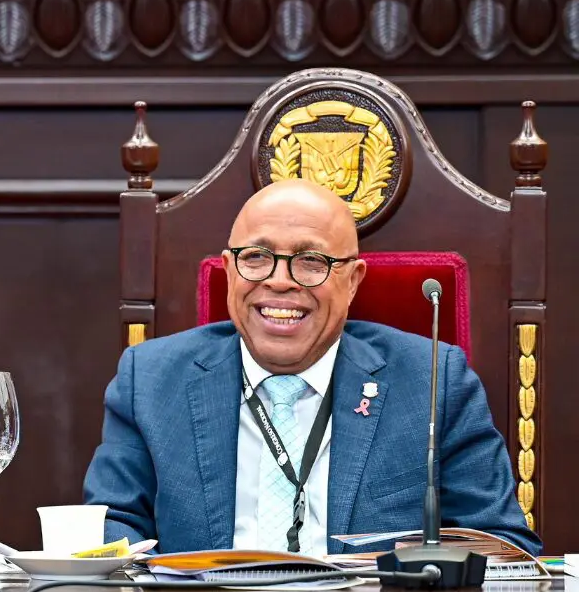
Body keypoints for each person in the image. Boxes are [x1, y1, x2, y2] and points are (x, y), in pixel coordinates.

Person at [83, 179, 541, 556]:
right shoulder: (150, 379)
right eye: (257, 257)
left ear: (352, 281)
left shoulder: (433, 381)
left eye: (311, 261)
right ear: (229, 269)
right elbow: (109, 533)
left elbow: (505, 547)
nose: (279, 282)